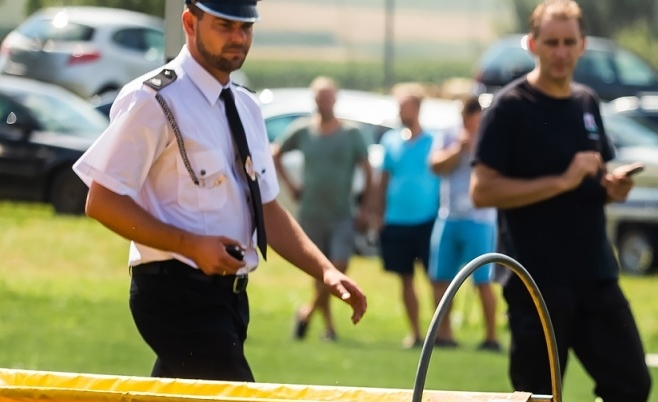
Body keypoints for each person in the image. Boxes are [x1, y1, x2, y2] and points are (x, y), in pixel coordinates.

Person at [75, 0, 367, 382]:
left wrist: (326, 271)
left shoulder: (246, 106)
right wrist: (190, 245)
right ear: (189, 23)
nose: (238, 38)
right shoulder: (155, 99)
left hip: (229, 298)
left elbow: (267, 210)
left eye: (246, 28)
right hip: (175, 292)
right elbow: (102, 201)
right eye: (224, 26)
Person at [470, 0, 652, 402]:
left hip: (595, 273)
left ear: (582, 46)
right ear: (532, 45)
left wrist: (610, 187)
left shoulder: (587, 103)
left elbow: (592, 179)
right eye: (551, 42)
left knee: (630, 387)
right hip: (535, 279)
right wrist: (562, 180)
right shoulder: (510, 107)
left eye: (570, 42)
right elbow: (482, 190)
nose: (561, 52)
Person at [272, 76, 373, 343]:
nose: (324, 103)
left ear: (335, 99)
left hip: (341, 213)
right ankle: (328, 327)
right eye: (320, 98)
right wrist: (291, 186)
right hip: (311, 212)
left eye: (328, 97)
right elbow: (275, 153)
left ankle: (307, 311)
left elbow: (367, 169)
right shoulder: (303, 130)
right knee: (320, 272)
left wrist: (366, 207)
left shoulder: (351, 133)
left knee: (339, 265)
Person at [428, 93, 502, 352]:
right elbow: (435, 165)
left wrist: (473, 149)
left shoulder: (490, 135)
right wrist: (456, 150)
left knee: (483, 280)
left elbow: (496, 169)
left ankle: (491, 336)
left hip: (480, 218)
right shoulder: (449, 134)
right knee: (440, 278)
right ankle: (444, 335)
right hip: (449, 216)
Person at [372, 83, 440, 349]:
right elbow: (383, 180)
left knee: (436, 279)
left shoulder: (433, 141)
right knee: (405, 279)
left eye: (404, 106)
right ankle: (415, 332)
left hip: (427, 220)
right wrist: (376, 212)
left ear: (417, 108)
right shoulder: (390, 140)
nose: (400, 111)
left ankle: (440, 333)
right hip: (397, 221)